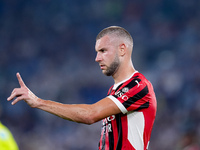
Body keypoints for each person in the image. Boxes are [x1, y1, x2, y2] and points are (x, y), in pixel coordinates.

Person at [7, 26, 157, 150]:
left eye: (103, 51)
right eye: (97, 52)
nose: (97, 58)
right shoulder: (114, 91)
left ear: (122, 49)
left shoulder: (138, 86)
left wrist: (38, 102)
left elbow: (90, 115)